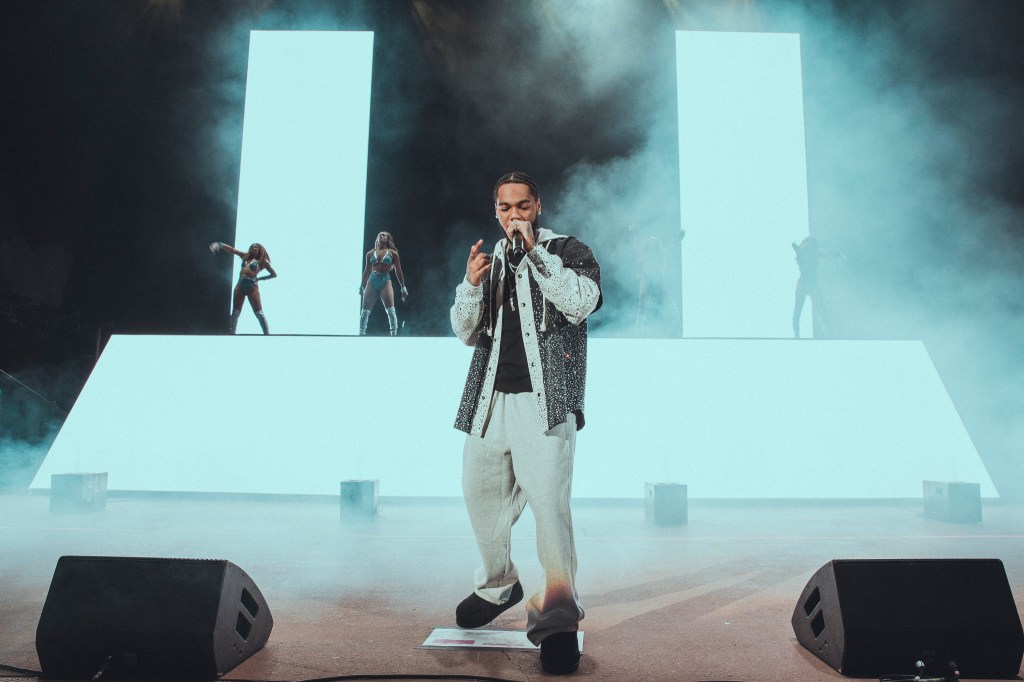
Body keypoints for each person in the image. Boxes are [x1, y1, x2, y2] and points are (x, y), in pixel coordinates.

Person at [450, 171, 601, 675]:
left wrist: (535, 254)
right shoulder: (491, 260)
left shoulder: (568, 250)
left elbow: (579, 303)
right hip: (491, 399)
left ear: (537, 207)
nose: (513, 215)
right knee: (480, 495)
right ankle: (498, 586)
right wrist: (470, 286)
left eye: (522, 206)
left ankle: (558, 622)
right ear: (495, 211)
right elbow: (465, 332)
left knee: (549, 513)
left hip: (545, 403)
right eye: (505, 207)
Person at [209, 241, 277, 334]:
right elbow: (233, 250)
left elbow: (273, 274)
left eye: (256, 247)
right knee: (235, 312)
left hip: (252, 286)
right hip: (240, 285)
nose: (254, 248)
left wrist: (260, 279)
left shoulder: (263, 262)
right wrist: (220, 244)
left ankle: (266, 334)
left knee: (259, 312)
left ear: (260, 249)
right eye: (252, 247)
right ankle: (232, 334)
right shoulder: (245, 256)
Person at [359, 231, 408, 336]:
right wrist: (362, 286)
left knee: (391, 311)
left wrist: (403, 288)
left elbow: (398, 270)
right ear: (377, 239)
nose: (381, 235)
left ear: (387, 239)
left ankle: (394, 335)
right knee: (365, 311)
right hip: (372, 280)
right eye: (379, 235)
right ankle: (361, 334)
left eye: (384, 235)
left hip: (385, 281)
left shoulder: (393, 253)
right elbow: (367, 270)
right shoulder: (370, 254)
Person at [791, 236, 841, 338]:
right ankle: (797, 334)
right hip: (805, 284)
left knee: (819, 309)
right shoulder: (805, 253)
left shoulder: (814, 253)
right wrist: (796, 248)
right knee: (801, 309)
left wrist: (834, 255)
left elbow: (824, 254)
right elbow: (800, 253)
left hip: (810, 284)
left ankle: (828, 333)